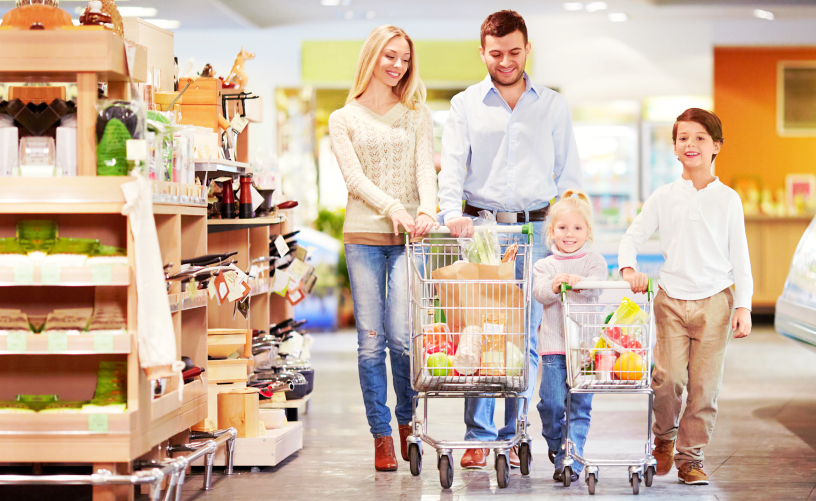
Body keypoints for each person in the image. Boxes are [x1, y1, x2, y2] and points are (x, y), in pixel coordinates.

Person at [437, 9, 583, 470]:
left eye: (514, 52)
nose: (505, 61)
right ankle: (478, 435)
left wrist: (573, 232)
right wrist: (450, 214)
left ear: (527, 49)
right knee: (478, 331)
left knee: (528, 336)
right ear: (482, 51)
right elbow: (453, 167)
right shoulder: (465, 105)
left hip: (540, 231)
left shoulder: (553, 105)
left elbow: (570, 174)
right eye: (495, 53)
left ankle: (512, 431)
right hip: (482, 229)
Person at [619, 108, 753, 485]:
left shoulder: (728, 199)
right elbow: (632, 236)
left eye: (699, 138)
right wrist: (628, 268)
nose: (690, 144)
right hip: (671, 300)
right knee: (668, 379)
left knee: (704, 387)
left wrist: (743, 304)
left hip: (716, 302)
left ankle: (690, 457)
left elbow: (740, 256)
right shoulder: (663, 197)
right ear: (675, 148)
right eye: (683, 138)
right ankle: (663, 437)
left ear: (716, 146)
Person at [328, 25, 438, 472]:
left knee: (402, 340)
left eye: (405, 59)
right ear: (372, 56)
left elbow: (424, 170)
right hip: (364, 238)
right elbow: (353, 179)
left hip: (411, 237)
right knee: (370, 344)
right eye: (390, 56)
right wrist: (393, 206)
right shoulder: (343, 118)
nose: (397, 66)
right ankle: (381, 436)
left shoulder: (416, 114)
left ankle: (408, 423)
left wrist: (427, 210)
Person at [531, 189, 606, 483]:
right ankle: (557, 445)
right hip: (553, 348)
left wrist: (580, 283)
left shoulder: (593, 262)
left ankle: (572, 461)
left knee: (580, 406)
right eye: (562, 228)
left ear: (587, 232)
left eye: (577, 228)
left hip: (585, 349)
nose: (569, 234)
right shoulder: (546, 265)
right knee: (551, 403)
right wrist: (554, 285)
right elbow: (539, 293)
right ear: (552, 231)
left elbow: (597, 286)